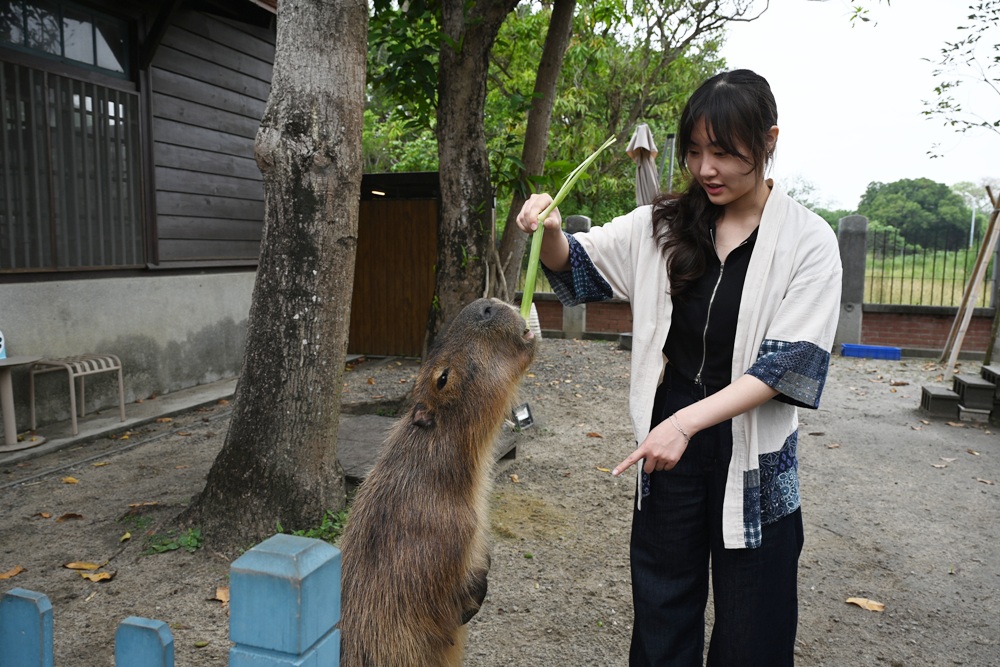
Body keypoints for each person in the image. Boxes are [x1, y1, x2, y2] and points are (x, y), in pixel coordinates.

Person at [515, 69, 842, 666]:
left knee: (756, 623)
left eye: (723, 152)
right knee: (663, 605)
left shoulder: (808, 241)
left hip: (754, 446)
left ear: (768, 141)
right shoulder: (663, 224)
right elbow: (579, 268)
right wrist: (554, 231)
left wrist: (688, 423)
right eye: (694, 151)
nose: (705, 169)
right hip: (669, 437)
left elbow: (787, 366)